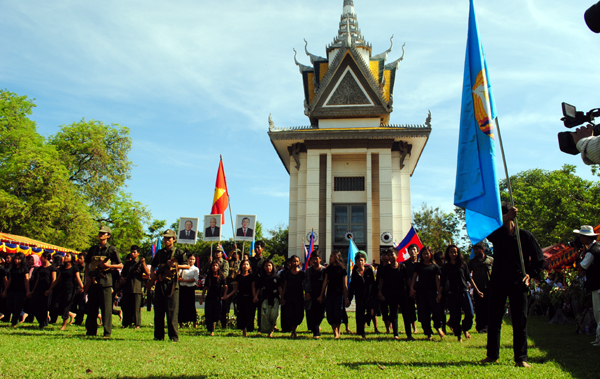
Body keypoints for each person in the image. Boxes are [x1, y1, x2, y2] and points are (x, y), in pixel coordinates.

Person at [480, 204, 544, 368]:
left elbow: (539, 259)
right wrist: (506, 217)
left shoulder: (525, 236)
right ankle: (492, 355)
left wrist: (530, 273)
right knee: (494, 320)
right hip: (498, 282)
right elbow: (488, 232)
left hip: (519, 282)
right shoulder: (497, 235)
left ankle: (521, 358)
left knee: (520, 321)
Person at [150, 229, 189, 342]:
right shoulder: (160, 253)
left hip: (172, 285)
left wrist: (176, 265)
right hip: (160, 283)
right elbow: (153, 265)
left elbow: (187, 266)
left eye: (169, 238)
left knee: (172, 312)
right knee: (158, 312)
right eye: (165, 238)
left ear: (174, 239)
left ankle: (173, 337)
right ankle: (158, 336)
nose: (166, 240)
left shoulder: (178, 252)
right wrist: (152, 275)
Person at [84, 225, 123, 338]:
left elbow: (120, 265)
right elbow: (87, 264)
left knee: (106, 309)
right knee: (92, 308)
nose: (101, 235)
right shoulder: (93, 249)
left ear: (108, 235)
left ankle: (107, 332)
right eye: (100, 233)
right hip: (93, 281)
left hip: (106, 282)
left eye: (103, 233)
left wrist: (108, 266)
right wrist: (87, 277)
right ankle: (91, 331)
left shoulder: (112, 249)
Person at [439, 245, 482, 342]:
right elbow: (442, 282)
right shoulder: (446, 267)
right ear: (448, 254)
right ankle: (458, 336)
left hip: (464, 292)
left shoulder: (463, 264)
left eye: (455, 252)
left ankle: (465, 328)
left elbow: (469, 279)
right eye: (451, 252)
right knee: (455, 315)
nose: (454, 254)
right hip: (452, 294)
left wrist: (478, 291)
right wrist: (439, 294)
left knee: (470, 314)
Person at [378, 248, 414, 341]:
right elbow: (381, 280)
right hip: (391, 294)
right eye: (389, 255)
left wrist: (411, 290)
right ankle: (395, 334)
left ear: (397, 255)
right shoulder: (386, 268)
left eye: (392, 254)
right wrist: (380, 292)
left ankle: (409, 334)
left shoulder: (403, 267)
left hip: (402, 293)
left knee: (406, 314)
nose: (390, 256)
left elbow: (408, 280)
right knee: (393, 314)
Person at [410, 246, 445, 341]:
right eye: (424, 253)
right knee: (424, 313)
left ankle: (438, 327)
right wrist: (412, 288)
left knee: (436, 312)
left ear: (431, 254)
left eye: (427, 253)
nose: (426, 255)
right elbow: (414, 278)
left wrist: (439, 293)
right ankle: (428, 333)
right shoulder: (418, 266)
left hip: (433, 292)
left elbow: (438, 281)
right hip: (421, 292)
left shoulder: (435, 267)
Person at [575, 225, 600, 346]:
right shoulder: (595, 248)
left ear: (587, 237)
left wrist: (580, 255)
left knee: (598, 313)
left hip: (597, 285)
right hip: (597, 284)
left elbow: (582, 267)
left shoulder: (592, 251)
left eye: (581, 236)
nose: (579, 238)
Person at [50, 252, 84, 331]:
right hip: (61, 289)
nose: (65, 257)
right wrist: (50, 289)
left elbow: (78, 279)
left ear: (71, 258)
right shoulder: (62, 268)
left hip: (70, 290)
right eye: (65, 256)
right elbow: (57, 280)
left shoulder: (74, 268)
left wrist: (83, 288)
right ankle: (72, 314)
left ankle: (64, 324)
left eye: (67, 256)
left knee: (66, 307)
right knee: (56, 306)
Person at [318, 250, 348, 339]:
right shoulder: (328, 269)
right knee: (330, 313)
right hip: (330, 294)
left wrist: (346, 297)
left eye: (332, 256)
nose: (330, 258)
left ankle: (338, 332)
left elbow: (345, 284)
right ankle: (334, 331)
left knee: (338, 313)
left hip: (339, 294)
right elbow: (325, 282)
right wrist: (321, 294)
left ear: (336, 257)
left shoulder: (342, 269)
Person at [121, 245, 150, 329]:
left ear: (138, 253)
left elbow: (147, 272)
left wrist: (143, 263)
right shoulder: (127, 264)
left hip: (137, 289)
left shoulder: (140, 264)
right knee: (126, 307)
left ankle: (137, 324)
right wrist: (122, 279)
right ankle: (126, 323)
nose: (132, 254)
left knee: (136, 308)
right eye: (131, 252)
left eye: (134, 252)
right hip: (127, 288)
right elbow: (123, 274)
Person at [224, 259, 255, 336]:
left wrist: (255, 297)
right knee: (241, 314)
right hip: (240, 297)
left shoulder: (252, 277)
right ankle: (243, 330)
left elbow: (253, 288)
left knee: (249, 314)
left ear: (250, 266)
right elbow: (236, 288)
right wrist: (228, 295)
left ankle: (249, 329)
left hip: (249, 298)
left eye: (247, 264)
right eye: (244, 264)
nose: (245, 266)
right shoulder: (238, 277)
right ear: (241, 266)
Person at [348, 251, 375, 339]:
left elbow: (372, 284)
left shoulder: (369, 271)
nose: (360, 262)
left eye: (362, 260)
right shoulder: (355, 273)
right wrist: (349, 297)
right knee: (359, 314)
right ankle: (360, 332)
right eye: (358, 260)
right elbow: (352, 286)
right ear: (355, 262)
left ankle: (365, 322)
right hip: (359, 297)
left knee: (370, 314)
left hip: (369, 297)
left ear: (364, 261)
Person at [468, 241, 494, 333]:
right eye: (474, 249)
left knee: (489, 308)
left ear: (483, 250)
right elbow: (467, 274)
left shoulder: (490, 260)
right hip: (478, 288)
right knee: (479, 308)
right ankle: (480, 327)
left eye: (477, 249)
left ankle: (488, 326)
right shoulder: (471, 262)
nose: (475, 251)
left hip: (490, 288)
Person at [29, 252, 57, 329]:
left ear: (46, 258)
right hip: (39, 289)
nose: (41, 259)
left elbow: (53, 279)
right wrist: (33, 291)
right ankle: (41, 320)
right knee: (34, 305)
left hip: (47, 289)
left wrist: (50, 290)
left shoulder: (52, 268)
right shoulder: (40, 268)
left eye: (42, 257)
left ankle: (43, 323)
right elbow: (37, 279)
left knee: (44, 307)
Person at [2, 252, 30, 327]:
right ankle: (17, 317)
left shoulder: (24, 269)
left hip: (21, 290)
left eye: (18, 259)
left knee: (17, 306)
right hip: (12, 289)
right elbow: (10, 280)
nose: (16, 260)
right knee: (9, 305)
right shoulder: (13, 269)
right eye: (16, 258)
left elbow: (26, 280)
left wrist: (28, 291)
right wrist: (5, 290)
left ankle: (14, 322)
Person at [254, 260, 282, 337]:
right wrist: (256, 296)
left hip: (275, 298)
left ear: (272, 266)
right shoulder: (262, 278)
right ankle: (267, 330)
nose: (268, 267)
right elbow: (259, 288)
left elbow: (279, 288)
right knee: (265, 315)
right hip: (265, 298)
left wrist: (282, 298)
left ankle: (272, 328)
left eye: (269, 265)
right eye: (266, 266)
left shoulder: (276, 277)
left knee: (273, 315)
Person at [281, 255, 305, 338]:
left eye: (297, 261)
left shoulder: (302, 274)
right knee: (290, 314)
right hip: (289, 296)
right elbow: (285, 286)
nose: (295, 263)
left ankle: (295, 327)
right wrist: (282, 297)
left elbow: (304, 286)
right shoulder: (287, 274)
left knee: (299, 314)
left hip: (299, 297)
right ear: (290, 263)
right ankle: (293, 331)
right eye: (294, 261)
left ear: (299, 263)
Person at [200, 261, 226, 335]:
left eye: (216, 265)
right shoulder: (209, 277)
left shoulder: (221, 276)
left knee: (217, 313)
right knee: (209, 313)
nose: (214, 267)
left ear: (219, 267)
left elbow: (226, 286)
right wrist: (202, 298)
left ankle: (214, 322)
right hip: (209, 297)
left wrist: (224, 295)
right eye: (213, 265)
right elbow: (205, 288)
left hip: (218, 297)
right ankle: (211, 329)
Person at [304, 253, 326, 339]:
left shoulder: (324, 270)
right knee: (312, 313)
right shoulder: (309, 270)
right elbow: (306, 282)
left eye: (316, 259)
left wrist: (322, 295)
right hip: (312, 294)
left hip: (322, 294)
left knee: (321, 313)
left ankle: (316, 329)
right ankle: (316, 332)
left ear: (320, 259)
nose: (315, 261)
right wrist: (307, 293)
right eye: (313, 259)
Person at [403, 244, 420, 334]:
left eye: (414, 249)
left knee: (422, 308)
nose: (412, 251)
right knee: (410, 308)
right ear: (408, 252)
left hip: (421, 289)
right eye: (410, 250)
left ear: (417, 251)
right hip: (408, 289)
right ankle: (414, 328)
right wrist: (411, 288)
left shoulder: (422, 264)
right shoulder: (405, 265)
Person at [178, 255, 199, 328]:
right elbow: (178, 275)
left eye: (193, 259)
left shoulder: (195, 269)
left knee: (191, 306)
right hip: (183, 288)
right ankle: (181, 323)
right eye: (190, 259)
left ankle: (194, 323)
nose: (191, 261)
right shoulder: (183, 267)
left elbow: (195, 279)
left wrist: (185, 280)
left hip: (190, 288)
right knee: (181, 305)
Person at [221, 248, 240, 328]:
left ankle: (238, 323)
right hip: (229, 282)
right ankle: (224, 323)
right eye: (234, 253)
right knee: (226, 304)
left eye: (237, 253)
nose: (236, 254)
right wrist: (233, 249)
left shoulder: (240, 262)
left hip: (236, 283)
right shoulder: (230, 261)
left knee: (236, 304)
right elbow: (228, 257)